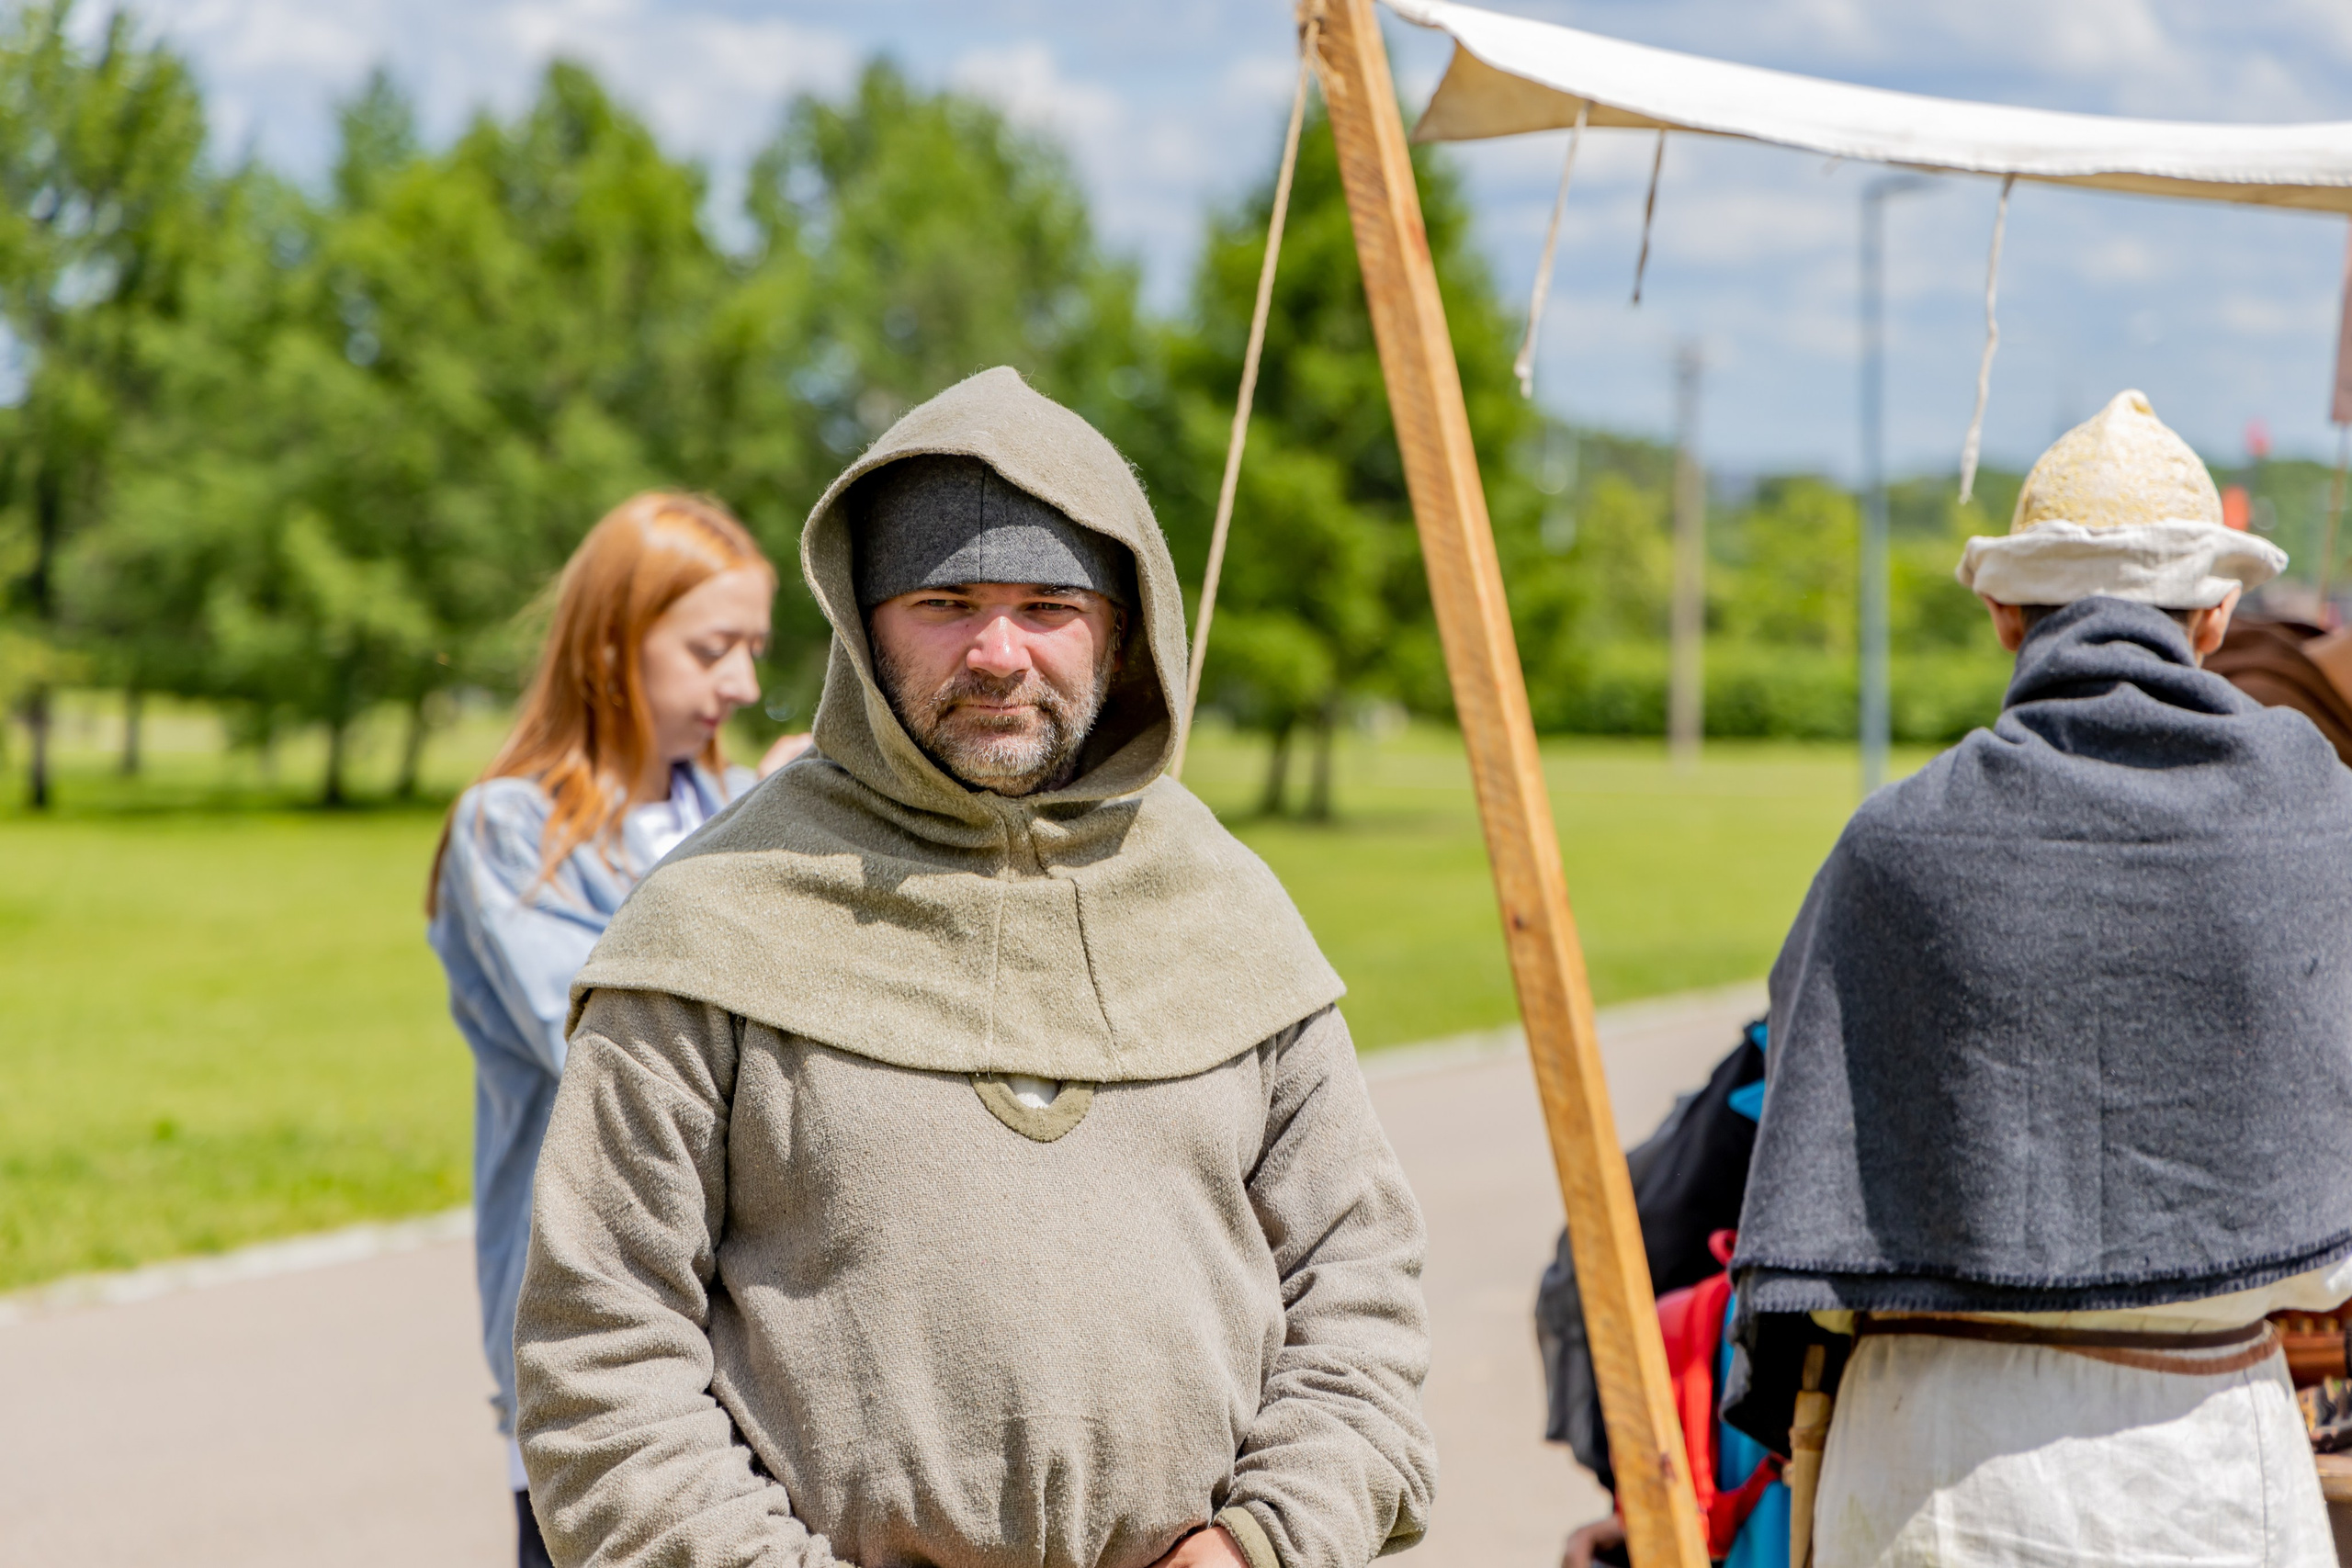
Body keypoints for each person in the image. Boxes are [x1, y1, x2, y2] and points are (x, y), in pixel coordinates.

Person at [510, 367, 1435, 1568]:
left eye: (1048, 603)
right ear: (863, 620)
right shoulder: (710, 922)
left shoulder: (1228, 910)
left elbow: (1360, 1288)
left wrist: (1261, 1543)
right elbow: (600, 1360)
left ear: (1119, 622)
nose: (998, 650)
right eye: (943, 600)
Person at [1725, 390, 2352, 1566]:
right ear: (2214, 615)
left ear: (2006, 616)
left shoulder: (1892, 845)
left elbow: (1794, 1218)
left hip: (1929, 1473)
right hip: (2209, 1464)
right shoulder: (2325, 823)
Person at [425, 491, 808, 1568]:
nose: (740, 683)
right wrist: (763, 839)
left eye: (752, 650)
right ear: (609, 646)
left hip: (751, 1367)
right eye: (710, 649)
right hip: (591, 1366)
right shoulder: (508, 830)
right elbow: (609, 1043)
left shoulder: (736, 801)